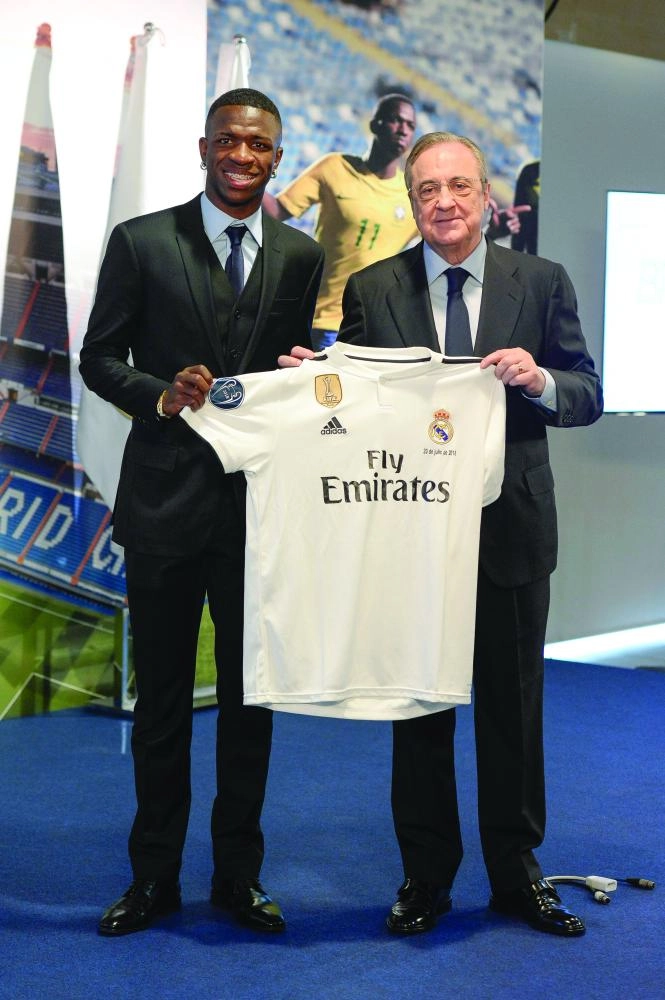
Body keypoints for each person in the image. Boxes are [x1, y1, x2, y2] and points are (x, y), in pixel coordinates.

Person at [280, 131, 603, 937]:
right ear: (413, 200)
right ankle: (424, 876)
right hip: (409, 534)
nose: (445, 203)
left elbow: (587, 389)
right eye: (428, 190)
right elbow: (350, 398)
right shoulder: (376, 285)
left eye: (459, 186)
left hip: (511, 529)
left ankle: (515, 876)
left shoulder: (542, 280)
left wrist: (541, 380)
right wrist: (305, 389)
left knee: (512, 712)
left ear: (485, 196)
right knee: (417, 707)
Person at [79, 88, 324, 937]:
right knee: (163, 707)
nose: (243, 156)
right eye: (229, 141)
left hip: (261, 513)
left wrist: (300, 372)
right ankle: (153, 879)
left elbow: (295, 374)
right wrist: (161, 395)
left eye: (259, 145)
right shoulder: (142, 240)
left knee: (253, 704)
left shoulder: (299, 255)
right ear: (203, 146)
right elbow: (98, 358)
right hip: (164, 507)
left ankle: (237, 876)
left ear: (276, 156)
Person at [263, 94, 417, 349]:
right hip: (325, 322)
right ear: (375, 124)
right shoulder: (334, 167)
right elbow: (278, 210)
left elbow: (444, 242)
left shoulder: (411, 195)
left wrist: (488, 224)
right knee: (324, 390)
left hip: (375, 330)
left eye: (410, 125)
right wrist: (247, 180)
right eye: (395, 120)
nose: (403, 130)